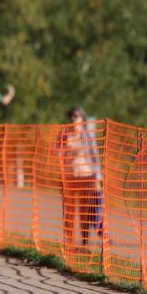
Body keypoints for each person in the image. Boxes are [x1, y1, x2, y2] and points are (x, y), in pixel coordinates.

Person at [56, 106, 103, 251]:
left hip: (86, 176)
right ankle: (69, 243)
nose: (73, 118)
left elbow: (95, 157)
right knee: (69, 211)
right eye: (71, 115)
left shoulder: (88, 136)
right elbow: (55, 151)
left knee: (84, 212)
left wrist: (98, 177)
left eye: (76, 116)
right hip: (69, 177)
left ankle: (84, 243)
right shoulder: (63, 134)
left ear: (82, 119)